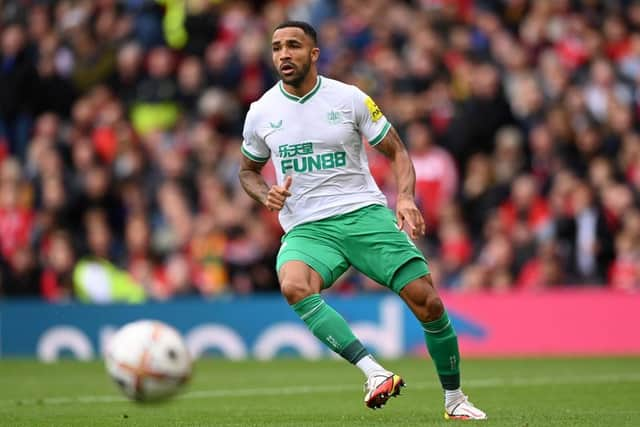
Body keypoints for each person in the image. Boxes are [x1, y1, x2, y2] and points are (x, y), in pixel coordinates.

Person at [238, 21, 487, 420]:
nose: (284, 54)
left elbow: (398, 152)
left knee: (428, 302)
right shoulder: (261, 111)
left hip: (363, 214)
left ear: (313, 54)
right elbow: (248, 171)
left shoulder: (349, 98)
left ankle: (454, 399)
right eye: (277, 47)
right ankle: (373, 373)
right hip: (307, 227)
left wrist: (405, 197)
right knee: (294, 285)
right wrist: (263, 193)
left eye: (294, 46)